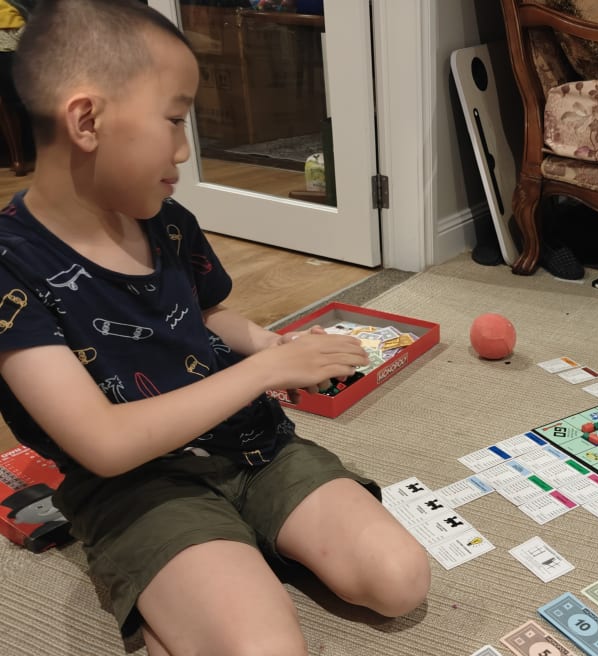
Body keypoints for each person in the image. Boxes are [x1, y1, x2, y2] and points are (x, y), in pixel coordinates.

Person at [0, 1, 430, 654]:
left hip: (250, 444)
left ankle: (239, 550)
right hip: (137, 484)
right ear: (87, 120)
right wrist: (265, 370)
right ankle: (184, 578)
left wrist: (265, 342)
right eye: (173, 119)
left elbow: (207, 314)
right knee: (265, 650)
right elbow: (106, 446)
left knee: (400, 581)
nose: (184, 149)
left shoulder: (167, 221)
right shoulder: (10, 265)